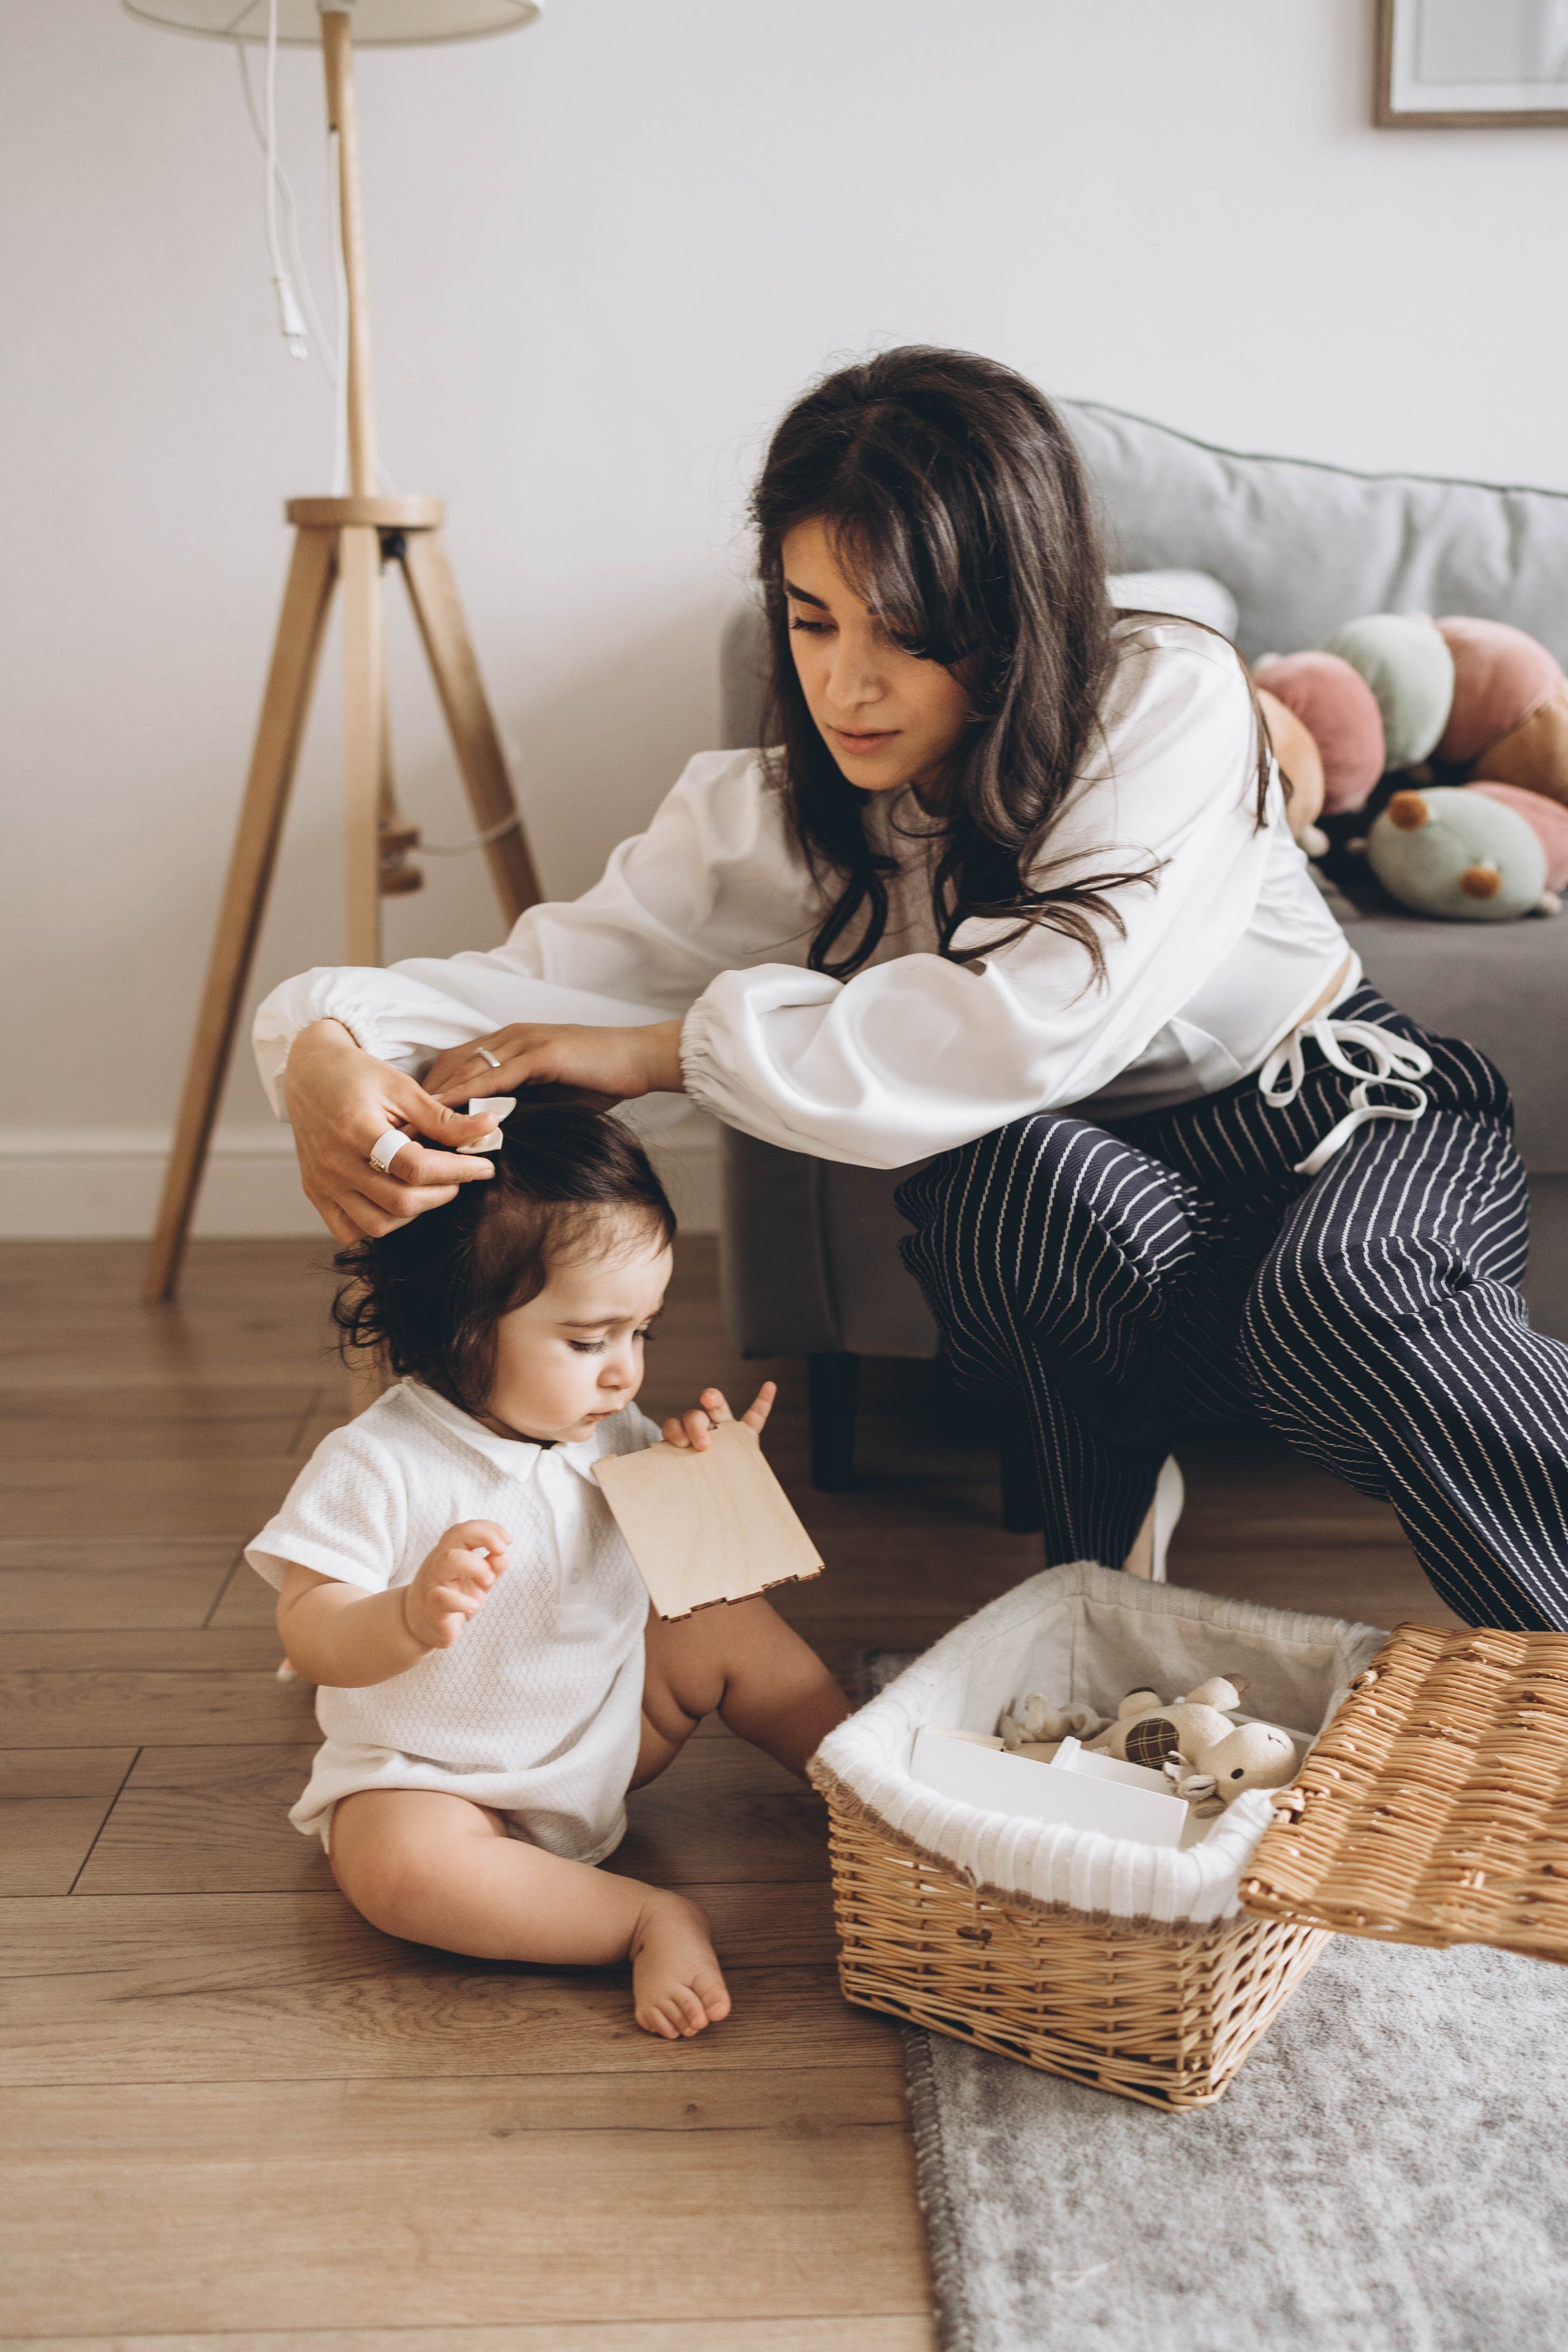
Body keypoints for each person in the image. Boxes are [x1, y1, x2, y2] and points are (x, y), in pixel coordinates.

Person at [256, 345, 1568, 1634]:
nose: (843, 685)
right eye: (810, 619)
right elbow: (515, 992)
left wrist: (661, 1051)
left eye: (905, 634)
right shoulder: (771, 823)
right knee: (999, 1183)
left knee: (1330, 1299)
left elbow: (1029, 1022)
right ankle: (1101, 1587)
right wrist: (320, 1049)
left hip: (1341, 1119)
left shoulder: (1165, 698)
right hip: (1113, 1188)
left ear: (1014, 617)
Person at [245, 1095, 847, 2039]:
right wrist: (403, 1616)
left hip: (601, 1738)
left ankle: (869, 1788)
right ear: (459, 1326)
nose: (625, 1373)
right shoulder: (380, 1462)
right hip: (438, 1782)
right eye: (588, 1340)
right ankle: (644, 1918)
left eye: (639, 1332)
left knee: (726, 1627)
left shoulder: (608, 1426)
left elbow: (685, 1575)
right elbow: (308, 1627)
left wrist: (708, 1480)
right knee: (394, 1864)